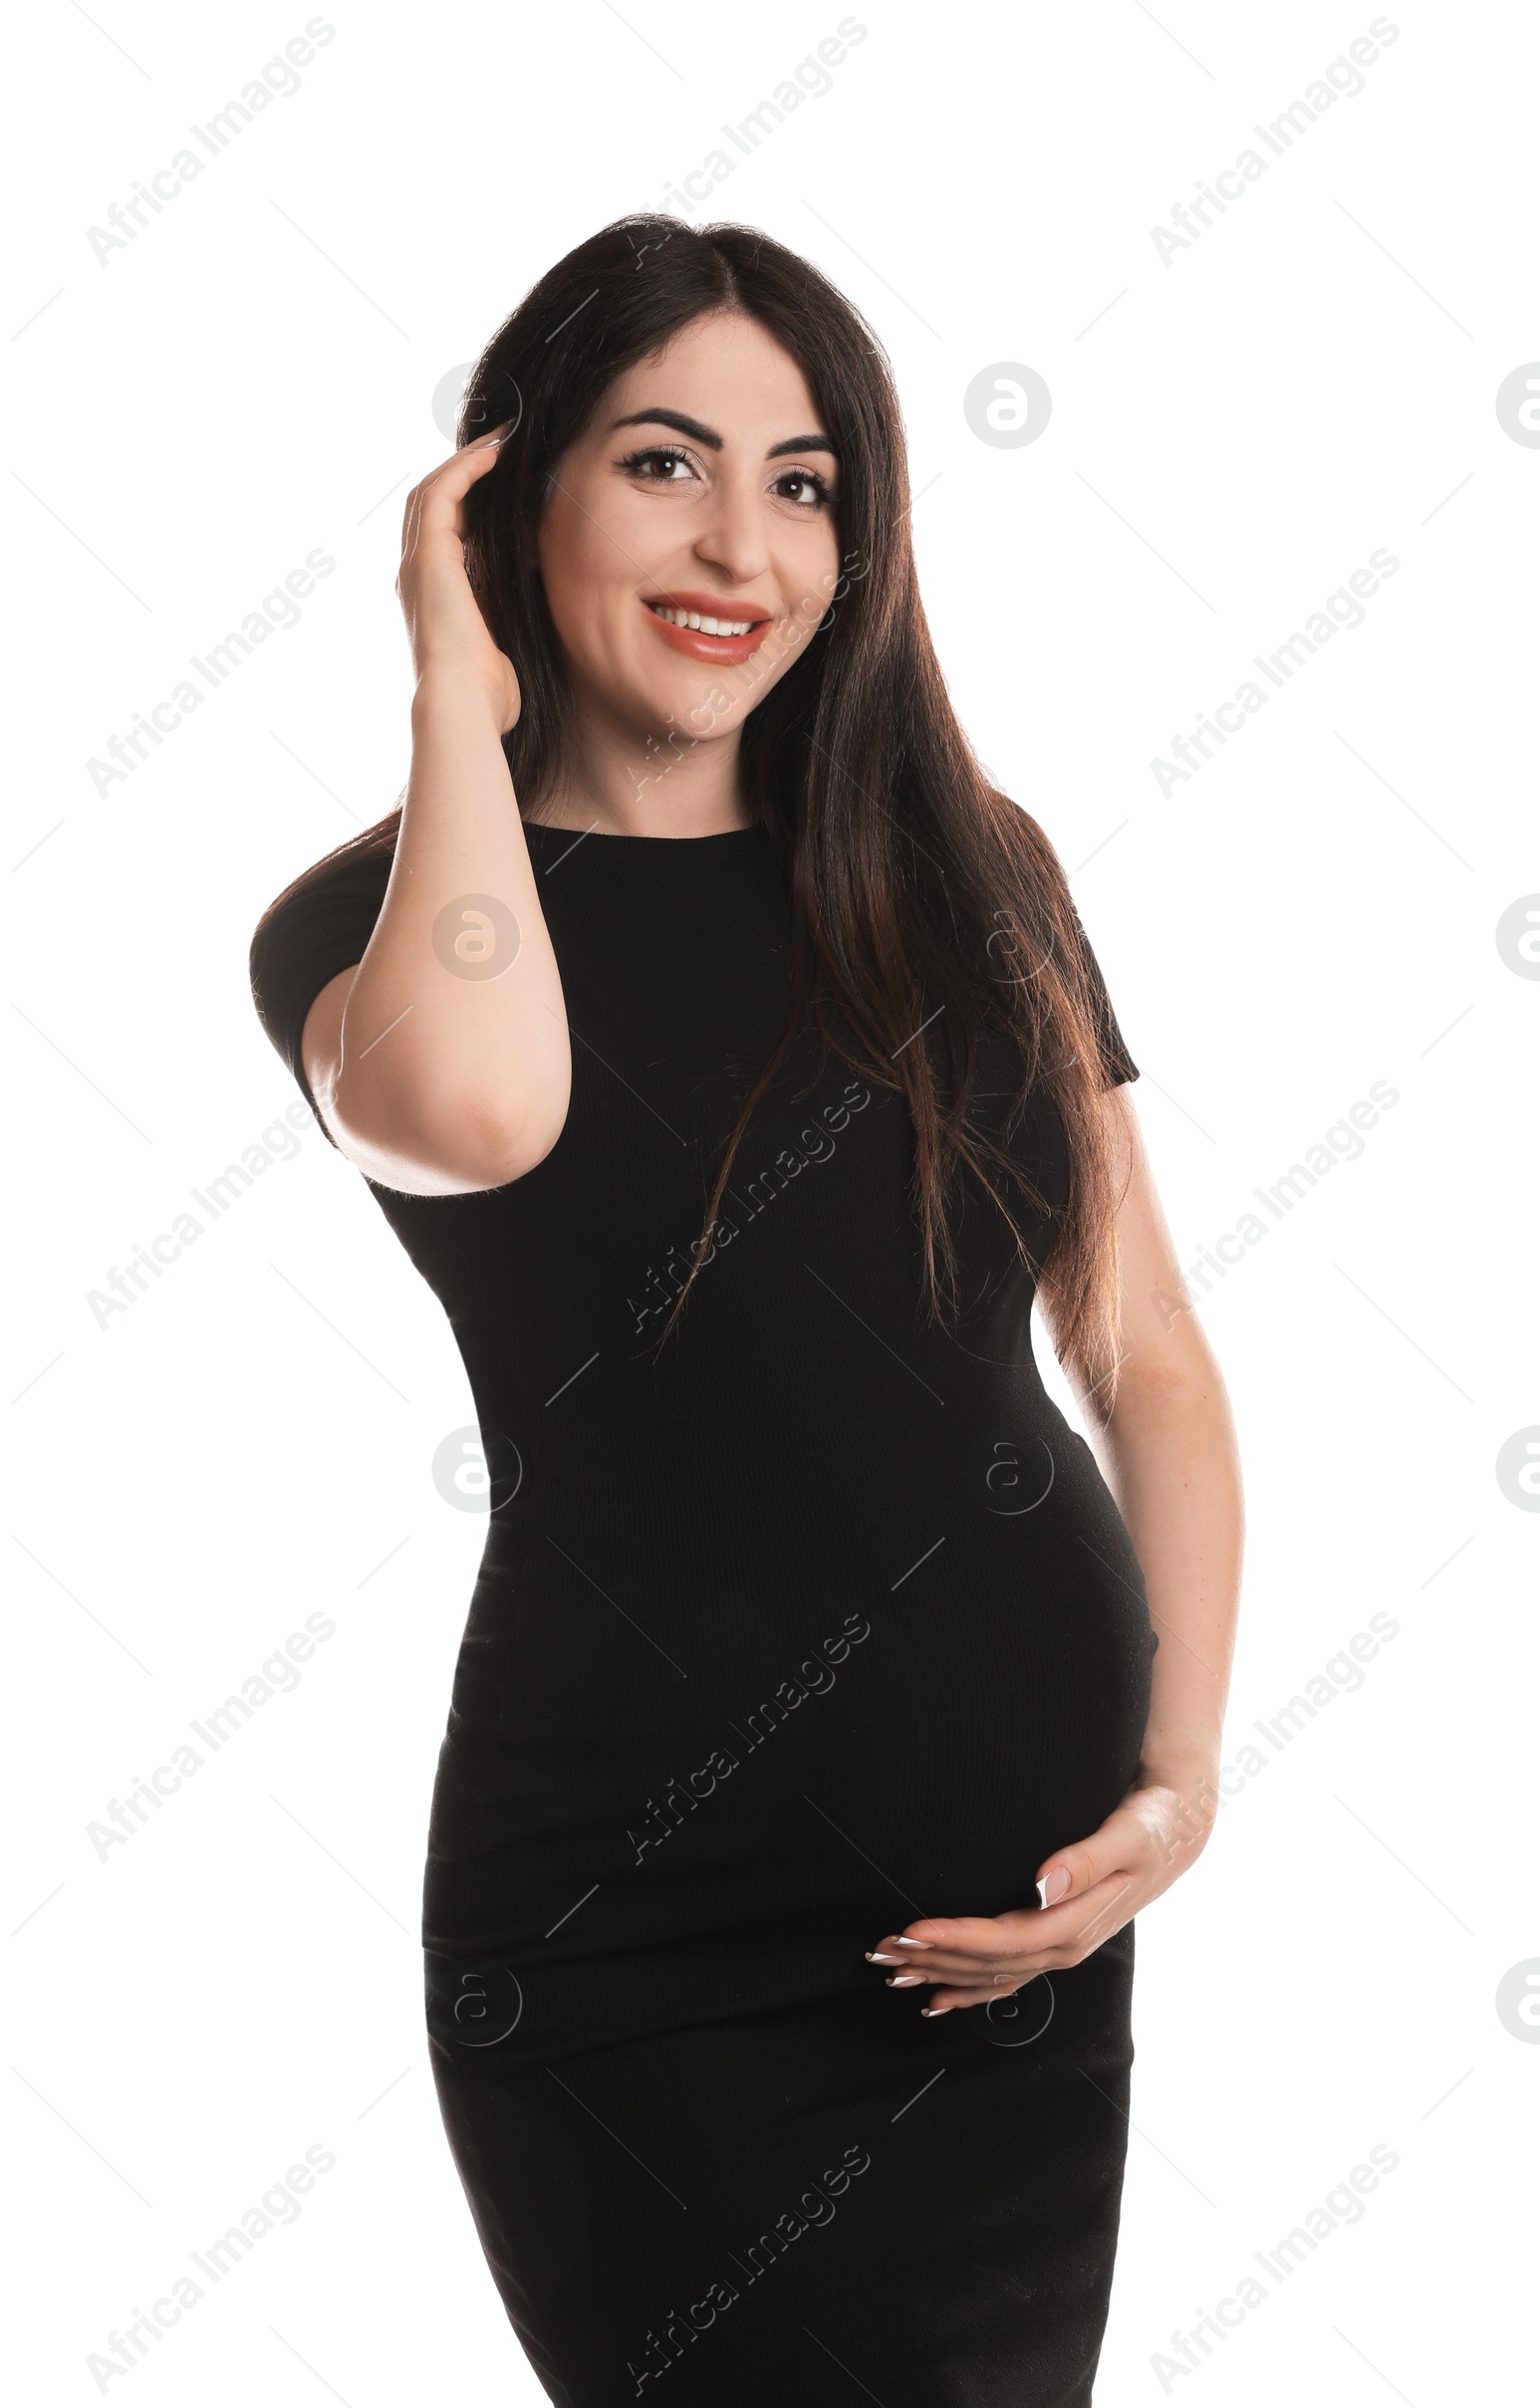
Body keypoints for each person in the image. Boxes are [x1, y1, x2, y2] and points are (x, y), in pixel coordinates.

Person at [249, 214, 1243, 2408]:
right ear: (517, 498)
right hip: (633, 1954)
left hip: (1002, 1964)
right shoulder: (355, 924)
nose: (739, 547)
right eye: (659, 465)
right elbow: (473, 1105)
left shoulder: (978, 867)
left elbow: (1144, 1354)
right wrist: (450, 685)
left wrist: (1171, 1787)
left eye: (802, 484)